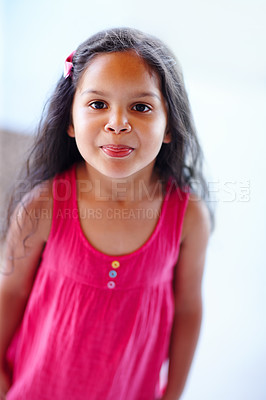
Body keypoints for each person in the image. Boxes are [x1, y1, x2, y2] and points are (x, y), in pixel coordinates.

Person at [0, 27, 213, 400]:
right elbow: (11, 293)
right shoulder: (42, 206)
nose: (118, 123)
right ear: (70, 121)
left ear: (169, 126)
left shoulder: (188, 217)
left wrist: (173, 392)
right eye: (98, 104)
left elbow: (189, 310)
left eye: (141, 107)